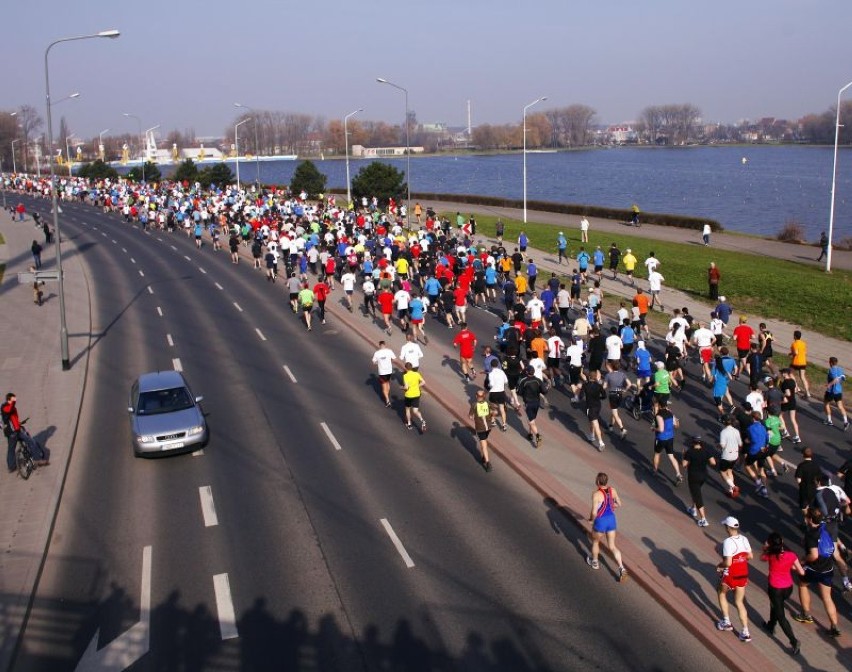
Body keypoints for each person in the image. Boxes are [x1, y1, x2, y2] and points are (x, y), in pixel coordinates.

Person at [794, 507, 841, 638]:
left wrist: (803, 560)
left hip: (814, 568)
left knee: (802, 584)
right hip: (827, 568)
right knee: (827, 597)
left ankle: (805, 614)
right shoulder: (825, 528)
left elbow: (814, 555)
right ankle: (834, 626)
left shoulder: (811, 534)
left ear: (809, 519)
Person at [761, 532, 803, 656]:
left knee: (781, 616)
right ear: (782, 542)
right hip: (788, 588)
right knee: (775, 605)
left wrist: (765, 548)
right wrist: (789, 566)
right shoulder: (791, 555)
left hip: (775, 589)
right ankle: (770, 625)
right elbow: (800, 571)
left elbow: (761, 558)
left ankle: (794, 641)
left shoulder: (770, 555)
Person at [715, 516, 753, 642]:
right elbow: (750, 556)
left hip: (731, 574)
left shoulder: (728, 542)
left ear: (727, 528)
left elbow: (728, 563)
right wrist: (741, 559)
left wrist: (719, 566)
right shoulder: (744, 539)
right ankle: (745, 632)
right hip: (743, 573)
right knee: (739, 602)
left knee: (721, 593)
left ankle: (726, 622)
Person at [586, 472, 628, 582]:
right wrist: (612, 506)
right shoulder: (612, 490)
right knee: (612, 546)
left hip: (600, 520)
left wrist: (591, 519)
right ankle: (621, 568)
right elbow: (619, 503)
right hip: (611, 520)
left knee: (595, 542)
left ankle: (594, 562)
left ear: (598, 482)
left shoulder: (596, 494)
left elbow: (594, 512)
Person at [3, 392, 49, 470]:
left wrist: (19, 424)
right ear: (9, 400)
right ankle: (12, 466)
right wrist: (13, 402)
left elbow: (12, 419)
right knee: (14, 448)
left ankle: (36, 459)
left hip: (16, 430)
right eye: (13, 399)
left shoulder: (12, 407)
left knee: (28, 442)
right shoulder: (5, 407)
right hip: (12, 433)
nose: (15, 400)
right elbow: (8, 411)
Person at [682, 436, 716, 527]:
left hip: (693, 476)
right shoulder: (706, 451)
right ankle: (693, 508)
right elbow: (713, 463)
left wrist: (684, 455)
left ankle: (703, 519)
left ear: (693, 443)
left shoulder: (690, 452)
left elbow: (684, 464)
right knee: (696, 492)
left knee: (698, 497)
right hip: (703, 476)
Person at [652, 399, 682, 484]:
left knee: (657, 454)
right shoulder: (671, 413)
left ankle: (655, 470)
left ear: (659, 406)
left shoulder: (659, 415)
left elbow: (661, 429)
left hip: (661, 438)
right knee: (671, 456)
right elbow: (677, 426)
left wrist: (654, 428)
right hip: (670, 438)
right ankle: (678, 474)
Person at [517, 366, 544, 446]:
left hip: (529, 403)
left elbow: (519, 392)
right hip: (537, 403)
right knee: (533, 419)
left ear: (527, 372)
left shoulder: (524, 381)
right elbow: (544, 391)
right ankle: (530, 434)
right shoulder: (538, 380)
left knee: (530, 421)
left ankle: (538, 435)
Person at [469, 390, 495, 471]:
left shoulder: (474, 405)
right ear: (484, 396)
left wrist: (472, 417)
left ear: (476, 396)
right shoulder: (488, 403)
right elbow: (493, 411)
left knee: (483, 445)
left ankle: (487, 463)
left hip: (480, 428)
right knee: (485, 441)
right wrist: (492, 417)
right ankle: (485, 456)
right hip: (489, 427)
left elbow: (470, 416)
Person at [717, 415, 742, 498]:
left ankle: (733, 486)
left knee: (723, 472)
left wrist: (718, 445)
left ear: (724, 422)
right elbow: (740, 444)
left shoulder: (723, 432)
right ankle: (731, 491)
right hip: (735, 455)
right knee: (730, 471)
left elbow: (723, 445)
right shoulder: (736, 431)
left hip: (727, 455)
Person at [583, 370, 607, 451]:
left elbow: (581, 395)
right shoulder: (599, 386)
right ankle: (591, 436)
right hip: (598, 406)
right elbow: (604, 396)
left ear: (589, 377)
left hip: (590, 406)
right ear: (596, 377)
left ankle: (601, 442)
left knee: (595, 422)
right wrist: (598, 397)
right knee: (592, 421)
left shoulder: (586, 385)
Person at [823, 357, 848, 429]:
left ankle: (829, 420)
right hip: (839, 391)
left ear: (830, 362)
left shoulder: (831, 370)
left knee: (826, 403)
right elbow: (843, 378)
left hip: (831, 391)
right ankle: (846, 421)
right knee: (840, 406)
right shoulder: (840, 369)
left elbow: (835, 379)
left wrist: (829, 385)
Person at [401, 362, 427, 432]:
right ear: (411, 367)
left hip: (409, 395)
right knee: (415, 411)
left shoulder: (405, 376)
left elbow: (406, 387)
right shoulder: (416, 374)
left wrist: (402, 388)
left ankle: (409, 424)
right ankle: (422, 420)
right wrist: (417, 386)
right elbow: (423, 382)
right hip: (416, 394)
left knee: (407, 409)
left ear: (406, 368)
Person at [371, 341, 397, 408]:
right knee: (387, 383)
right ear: (385, 345)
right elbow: (395, 359)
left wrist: (378, 363)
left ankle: (387, 400)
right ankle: (387, 395)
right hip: (389, 371)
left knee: (384, 386)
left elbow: (373, 362)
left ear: (379, 345)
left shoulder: (377, 353)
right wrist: (390, 361)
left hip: (382, 372)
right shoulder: (389, 351)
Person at [789, 330, 810, 399]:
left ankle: (796, 387)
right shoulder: (803, 343)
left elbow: (796, 352)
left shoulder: (794, 343)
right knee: (802, 377)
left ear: (794, 336)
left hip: (796, 362)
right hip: (803, 361)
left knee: (790, 373)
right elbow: (805, 352)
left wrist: (791, 354)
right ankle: (807, 393)